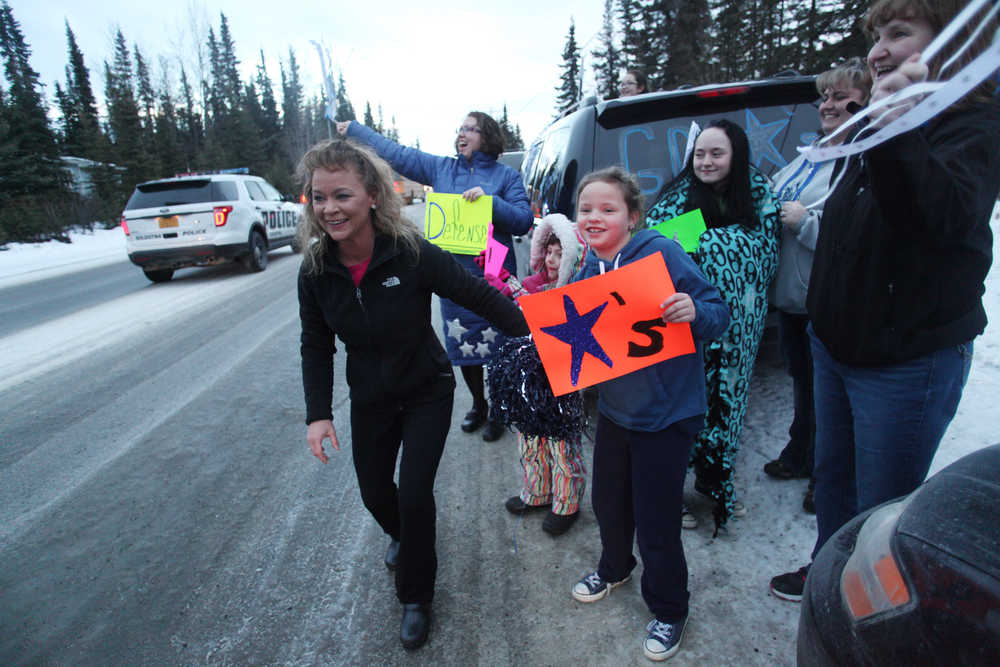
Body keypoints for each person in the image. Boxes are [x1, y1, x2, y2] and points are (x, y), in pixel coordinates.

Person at [770, 0, 1000, 602]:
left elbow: (934, 220)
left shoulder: (973, 127)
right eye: (876, 36)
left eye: (899, 33)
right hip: (835, 345)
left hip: (904, 363)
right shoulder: (874, 125)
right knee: (833, 482)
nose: (876, 51)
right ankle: (828, 576)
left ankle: (865, 609)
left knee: (881, 507)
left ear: (953, 42)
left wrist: (897, 124)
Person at [297, 139, 530, 649]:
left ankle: (416, 596)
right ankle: (402, 533)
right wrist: (318, 414)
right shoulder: (315, 271)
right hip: (371, 398)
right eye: (319, 197)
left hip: (426, 390)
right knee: (375, 493)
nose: (330, 208)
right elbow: (316, 345)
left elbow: (478, 295)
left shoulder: (411, 252)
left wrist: (534, 336)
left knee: (416, 495)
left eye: (342, 195)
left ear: (374, 196)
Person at [569, 167, 729, 662]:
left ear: (633, 216)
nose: (595, 217)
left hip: (667, 414)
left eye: (608, 209)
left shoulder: (660, 251)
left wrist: (693, 312)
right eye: (586, 210)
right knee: (609, 501)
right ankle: (616, 567)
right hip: (618, 412)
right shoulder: (584, 269)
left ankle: (670, 608)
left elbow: (717, 310)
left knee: (656, 518)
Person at [336, 113, 532, 443]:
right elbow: (395, 153)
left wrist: (490, 202)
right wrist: (355, 130)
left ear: (487, 137)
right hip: (453, 279)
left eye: (471, 129)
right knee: (466, 347)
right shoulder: (441, 168)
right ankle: (479, 405)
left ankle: (500, 410)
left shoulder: (506, 177)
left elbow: (523, 220)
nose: (462, 133)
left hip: (495, 279)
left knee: (500, 348)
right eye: (460, 128)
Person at [644, 120, 780, 531]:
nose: (706, 161)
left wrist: (704, 240)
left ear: (735, 156)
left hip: (738, 328)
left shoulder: (758, 194)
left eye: (716, 153)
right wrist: (719, 239)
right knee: (682, 408)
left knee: (728, 409)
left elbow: (766, 251)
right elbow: (656, 244)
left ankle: (714, 481)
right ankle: (671, 493)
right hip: (685, 324)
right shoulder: (677, 196)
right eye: (700, 153)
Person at [765, 58, 872, 515]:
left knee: (828, 395)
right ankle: (801, 453)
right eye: (824, 96)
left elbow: (860, 235)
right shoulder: (811, 155)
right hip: (791, 298)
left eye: (839, 96)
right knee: (803, 384)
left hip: (823, 300)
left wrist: (805, 224)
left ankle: (825, 477)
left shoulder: (862, 159)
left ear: (867, 102)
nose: (827, 104)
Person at [498, 213, 587, 536]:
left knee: (562, 443)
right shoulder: (531, 286)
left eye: (561, 253)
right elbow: (519, 313)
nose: (552, 259)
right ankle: (538, 491)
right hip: (531, 377)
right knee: (531, 438)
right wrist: (503, 284)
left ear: (575, 257)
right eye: (549, 251)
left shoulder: (579, 291)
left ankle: (567, 502)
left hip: (563, 378)